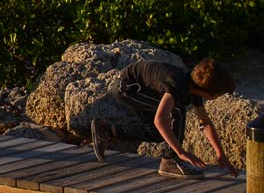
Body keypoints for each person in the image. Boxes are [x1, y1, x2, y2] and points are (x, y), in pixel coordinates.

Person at [91, 58, 237, 178]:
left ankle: (107, 130)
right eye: (219, 95)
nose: (218, 98)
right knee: (177, 110)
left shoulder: (193, 89)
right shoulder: (178, 86)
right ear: (208, 92)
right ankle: (170, 160)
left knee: (155, 132)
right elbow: (160, 119)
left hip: (142, 87)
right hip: (128, 87)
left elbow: (205, 122)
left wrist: (220, 154)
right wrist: (180, 152)